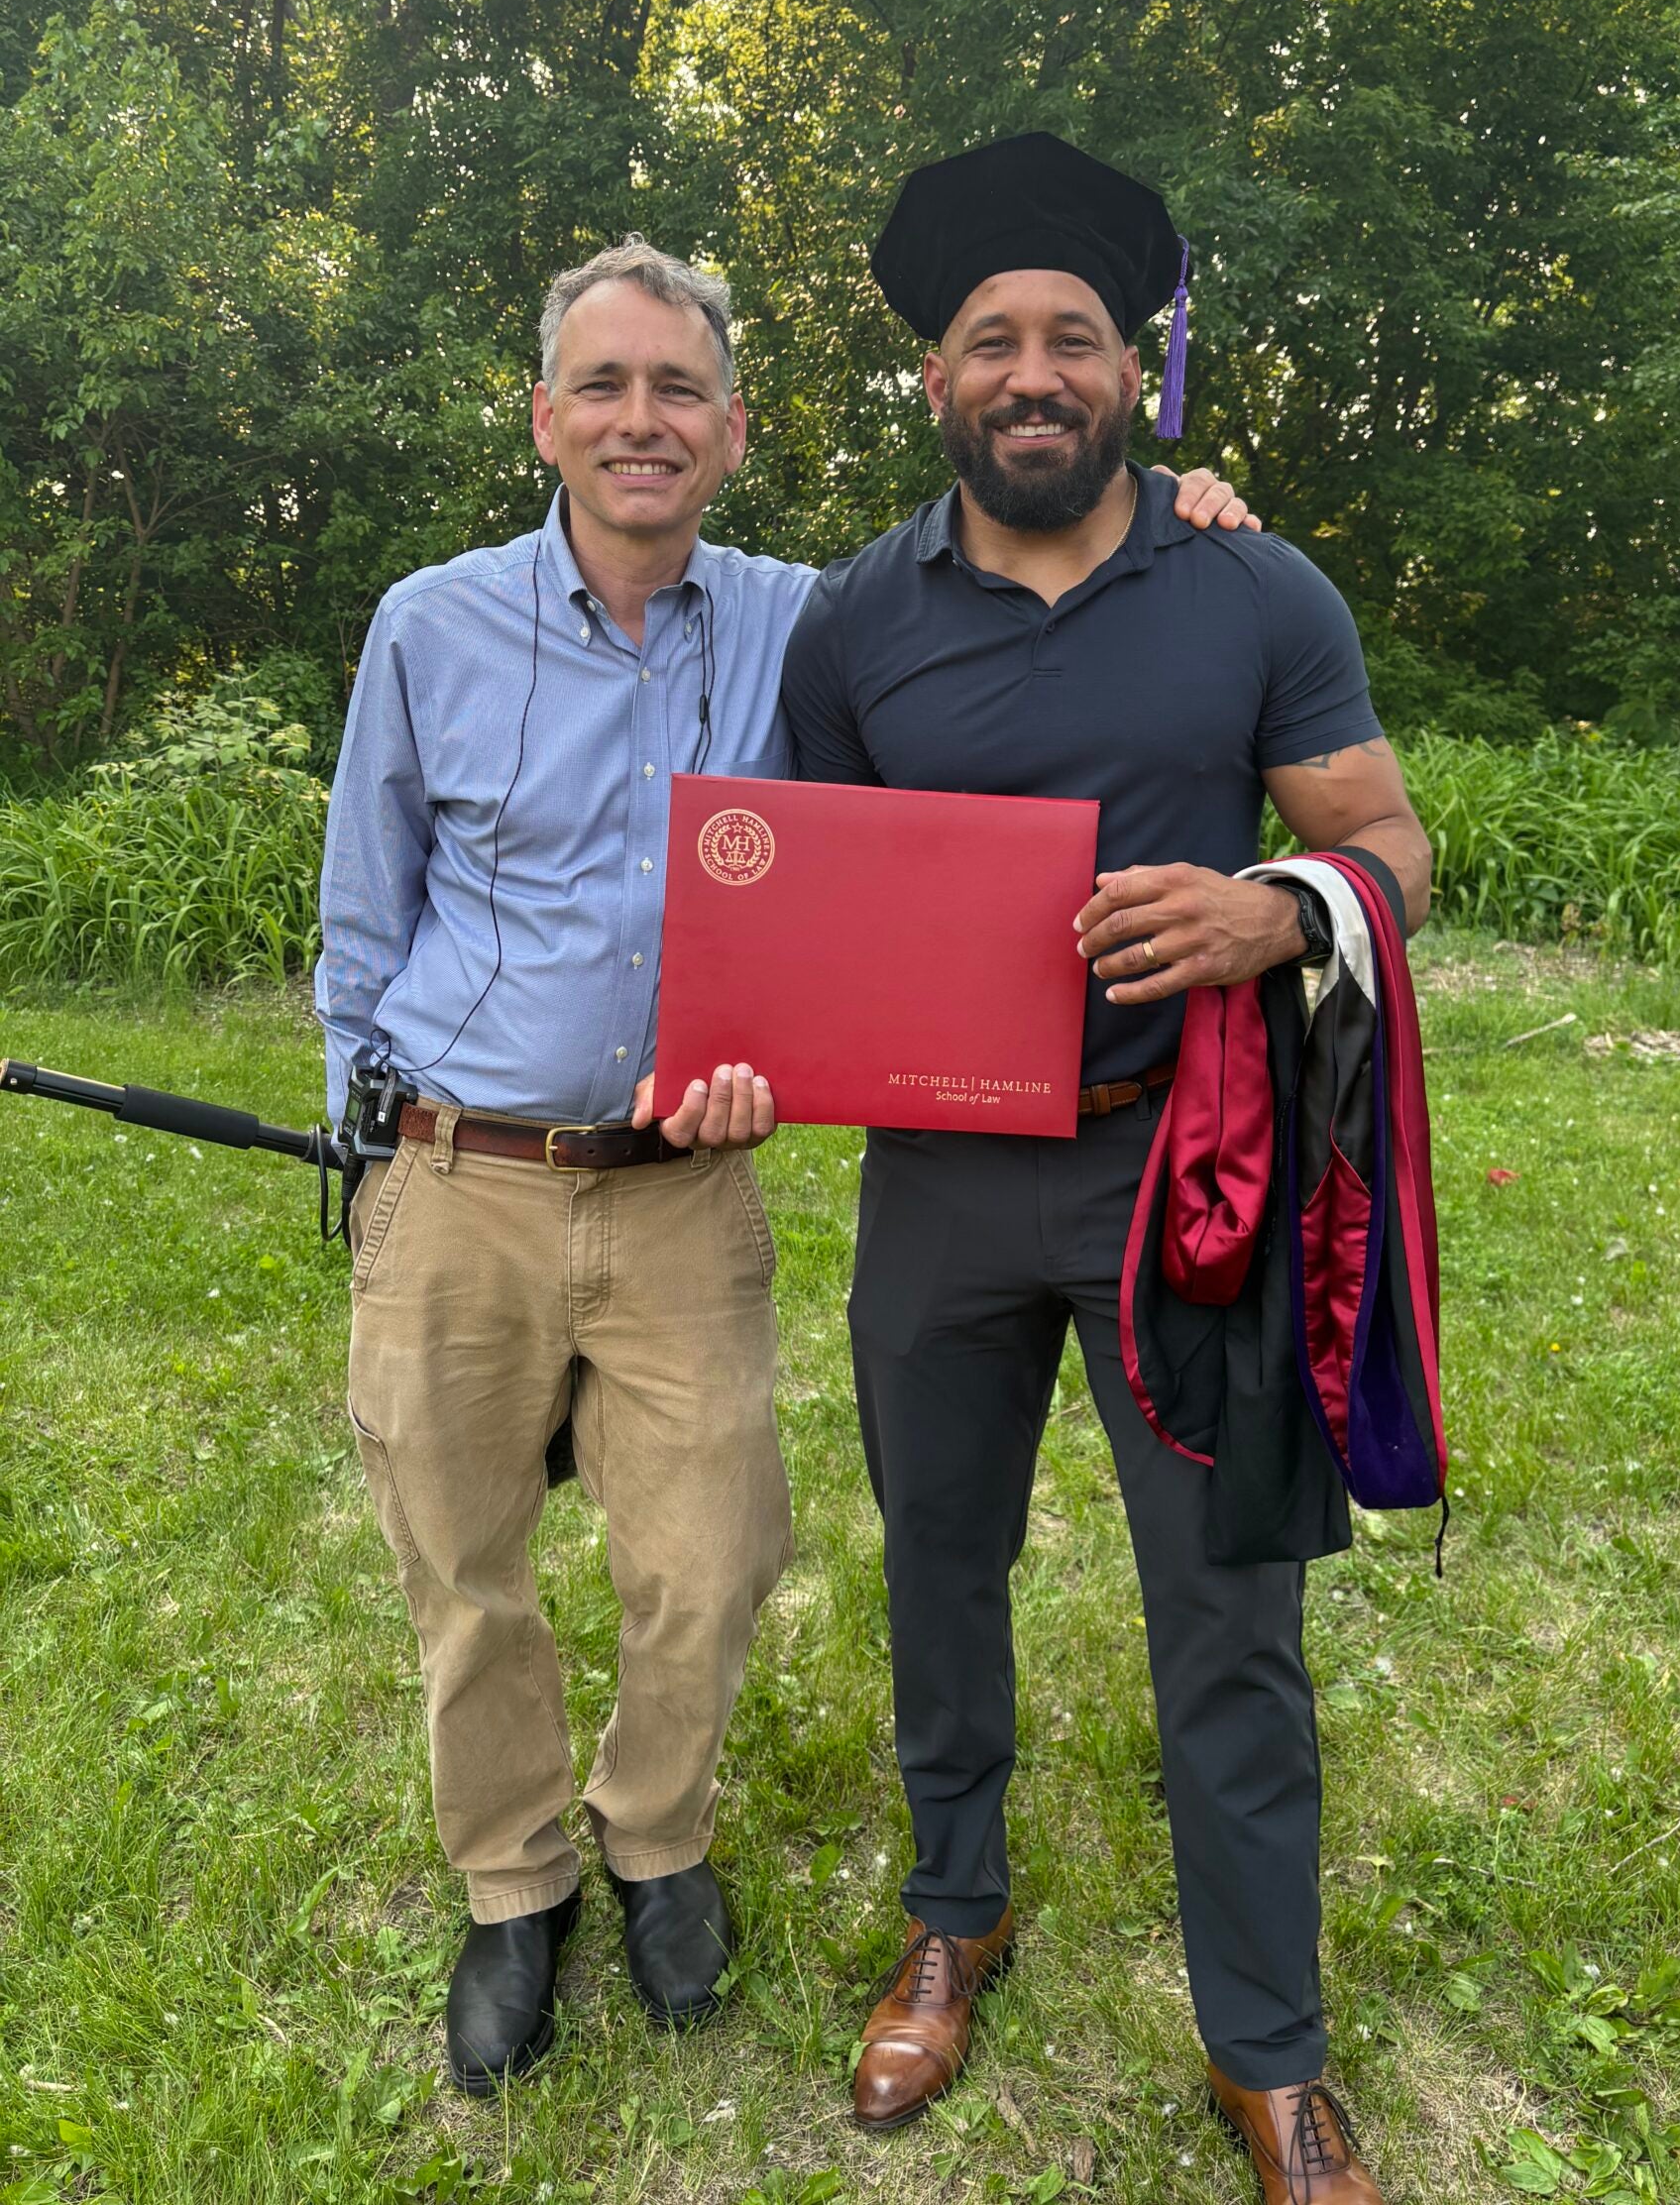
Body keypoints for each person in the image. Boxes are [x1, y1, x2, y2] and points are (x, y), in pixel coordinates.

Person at [315, 234, 1256, 2093]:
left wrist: (1189, 512)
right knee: (466, 1562)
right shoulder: (427, 625)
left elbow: (1007, 593)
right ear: (545, 420)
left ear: (732, 431)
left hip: (683, 1190)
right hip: (463, 1174)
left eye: (678, 390)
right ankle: (515, 1888)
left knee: (714, 1559)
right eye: (604, 386)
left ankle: (655, 1838)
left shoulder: (807, 622)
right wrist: (372, 1147)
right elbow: (366, 916)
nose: (641, 421)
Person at [778, 134, 1434, 2204]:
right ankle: (952, 1912)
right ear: (938, 382)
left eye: (1073, 333)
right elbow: (812, 896)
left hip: (1194, 1179)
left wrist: (1277, 903)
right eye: (994, 339)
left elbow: (1398, 845)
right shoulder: (858, 614)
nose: (1033, 368)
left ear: (1133, 371)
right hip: (943, 1185)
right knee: (940, 1564)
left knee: (1227, 1611)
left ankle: (1272, 2044)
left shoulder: (1255, 583)